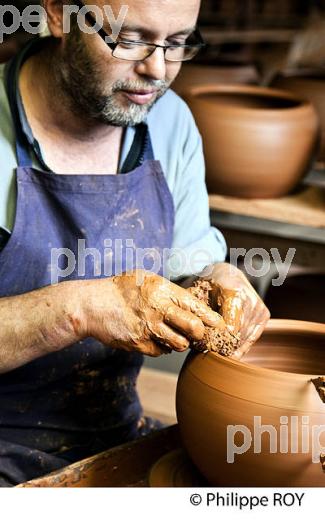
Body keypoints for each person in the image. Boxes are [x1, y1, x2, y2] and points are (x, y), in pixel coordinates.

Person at [0, 0, 270, 486]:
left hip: (111, 432)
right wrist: (76, 309)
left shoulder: (170, 122)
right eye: (129, 39)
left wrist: (219, 277)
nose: (157, 69)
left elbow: (193, 263)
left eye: (178, 42)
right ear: (59, 15)